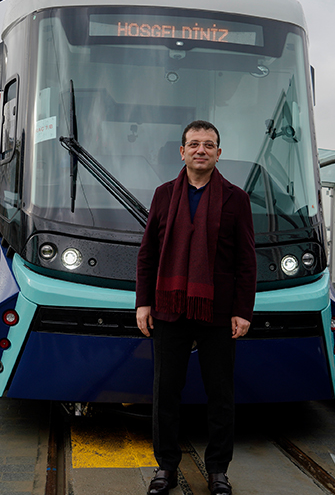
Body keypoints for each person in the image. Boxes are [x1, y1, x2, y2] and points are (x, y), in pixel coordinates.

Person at [136, 120, 256, 495]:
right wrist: (143, 303)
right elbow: (148, 254)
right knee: (165, 393)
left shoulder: (236, 199)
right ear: (182, 152)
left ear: (219, 153)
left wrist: (243, 311)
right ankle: (166, 467)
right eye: (194, 144)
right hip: (168, 310)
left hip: (218, 313)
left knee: (220, 396)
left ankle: (218, 470)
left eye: (208, 144)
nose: (200, 150)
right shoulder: (163, 195)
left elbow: (246, 261)